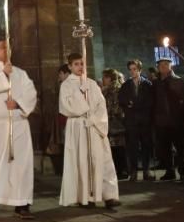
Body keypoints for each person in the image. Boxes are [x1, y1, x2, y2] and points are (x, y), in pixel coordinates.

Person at [0, 39, 38, 219]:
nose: (5, 50)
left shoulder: (21, 73)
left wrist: (18, 103)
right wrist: (3, 75)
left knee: (21, 165)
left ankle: (22, 204)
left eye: (7, 47)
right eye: (1, 47)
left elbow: (31, 93)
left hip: (18, 124)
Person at [59, 53, 120, 208]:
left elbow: (101, 104)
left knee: (101, 159)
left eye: (82, 64)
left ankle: (109, 195)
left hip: (93, 126)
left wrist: (94, 119)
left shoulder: (92, 84)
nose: (80, 67)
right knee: (82, 160)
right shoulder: (66, 85)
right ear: (70, 66)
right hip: (79, 126)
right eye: (76, 64)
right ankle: (85, 196)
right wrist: (81, 96)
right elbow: (66, 107)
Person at [152, 58, 184, 181]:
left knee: (180, 147)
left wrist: (181, 116)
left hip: (176, 120)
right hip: (161, 120)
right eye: (161, 65)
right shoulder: (156, 83)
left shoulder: (178, 81)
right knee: (165, 147)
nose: (163, 67)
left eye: (166, 64)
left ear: (171, 66)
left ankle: (183, 172)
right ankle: (170, 171)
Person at [118, 59, 154, 181]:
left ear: (139, 70)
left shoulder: (147, 84)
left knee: (146, 145)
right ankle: (133, 172)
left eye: (134, 69)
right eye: (130, 69)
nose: (132, 72)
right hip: (131, 121)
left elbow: (150, 101)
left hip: (144, 120)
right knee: (132, 146)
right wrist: (128, 104)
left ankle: (146, 171)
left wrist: (135, 105)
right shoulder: (126, 85)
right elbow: (121, 100)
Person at [101, 68, 129, 180]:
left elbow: (116, 107)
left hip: (115, 122)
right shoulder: (109, 89)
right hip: (112, 121)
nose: (103, 79)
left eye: (104, 77)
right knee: (116, 148)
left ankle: (122, 170)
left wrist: (109, 114)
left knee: (118, 148)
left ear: (109, 78)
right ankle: (120, 170)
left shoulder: (115, 89)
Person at [47, 64, 71, 176]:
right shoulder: (61, 85)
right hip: (60, 119)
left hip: (66, 119)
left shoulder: (69, 85)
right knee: (61, 145)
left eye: (61, 74)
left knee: (67, 144)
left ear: (66, 73)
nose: (59, 76)